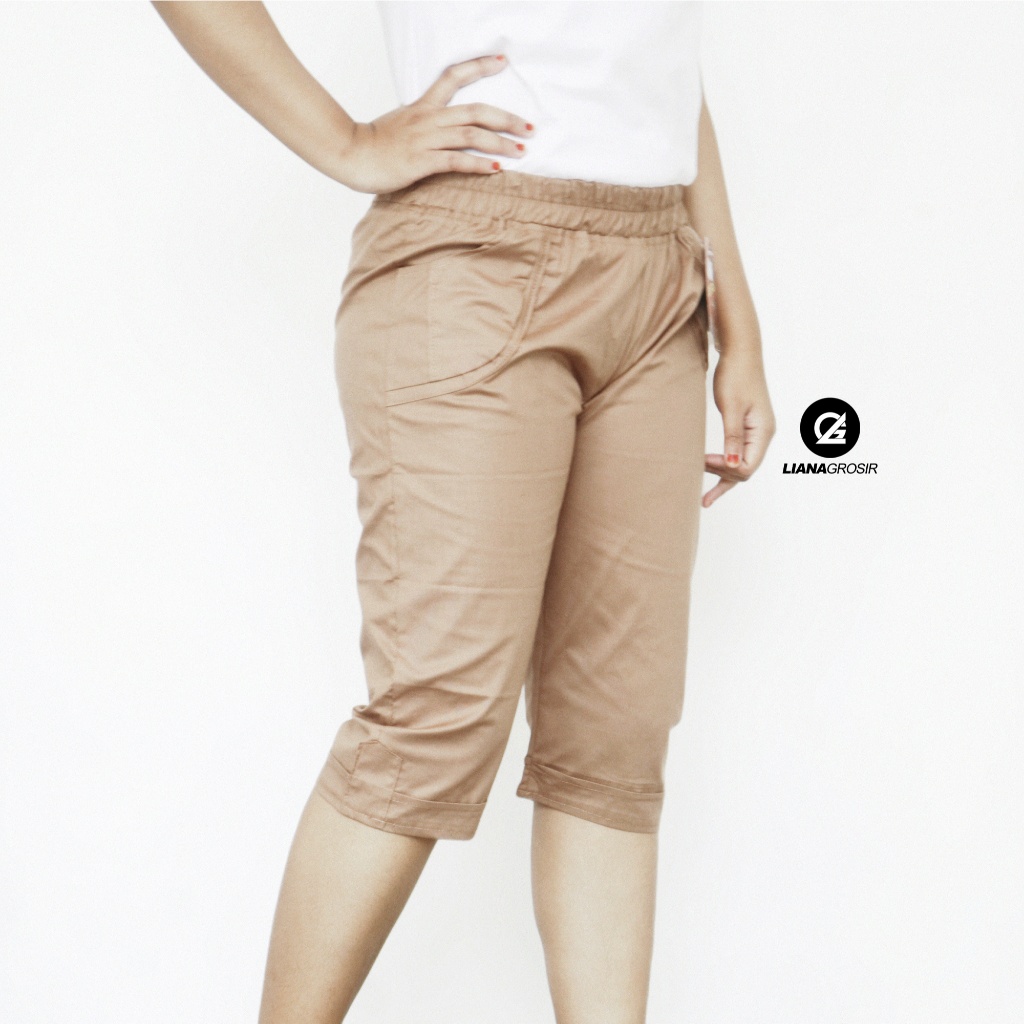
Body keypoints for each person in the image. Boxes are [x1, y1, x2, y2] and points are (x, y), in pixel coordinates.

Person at [151, 2, 775, 1021]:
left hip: (663, 288)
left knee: (613, 742)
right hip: (476, 253)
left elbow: (658, 70)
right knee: (433, 720)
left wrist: (737, 319)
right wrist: (348, 142)